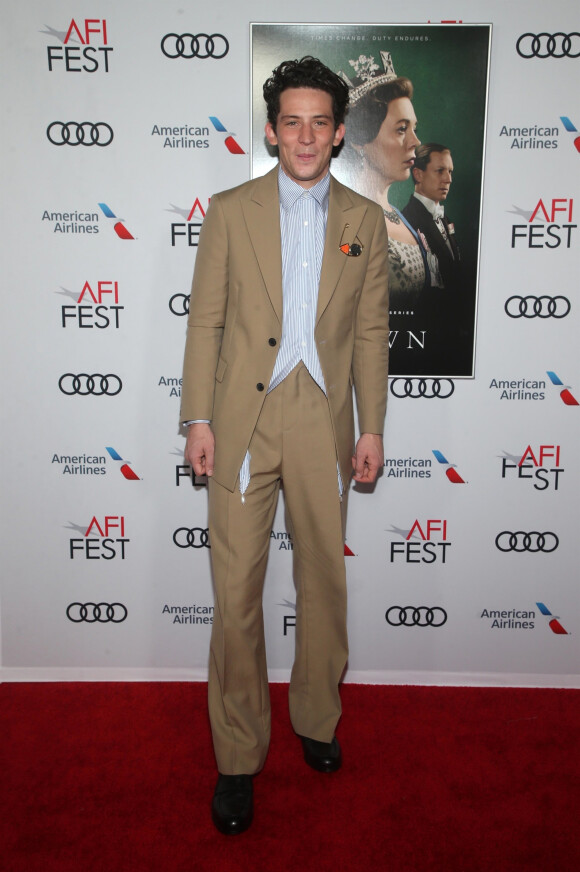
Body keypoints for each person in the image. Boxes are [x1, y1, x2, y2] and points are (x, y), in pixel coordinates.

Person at [180, 56, 389, 835]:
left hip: (322, 417)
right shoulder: (231, 210)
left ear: (339, 134)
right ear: (271, 130)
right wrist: (197, 418)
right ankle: (237, 756)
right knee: (235, 598)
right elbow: (204, 321)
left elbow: (371, 333)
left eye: (319, 122)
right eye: (290, 121)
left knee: (323, 585)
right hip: (240, 418)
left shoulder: (366, 222)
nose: (305, 135)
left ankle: (316, 717)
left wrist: (370, 427)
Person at [338, 51, 428, 314]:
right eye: (401, 130)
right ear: (360, 140)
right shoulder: (341, 216)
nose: (415, 142)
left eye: (414, 129)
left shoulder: (400, 216)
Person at [402, 143, 461, 292]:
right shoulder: (407, 220)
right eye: (440, 171)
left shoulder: (445, 219)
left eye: (450, 172)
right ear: (418, 174)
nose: (448, 179)